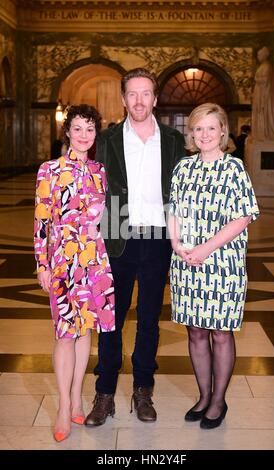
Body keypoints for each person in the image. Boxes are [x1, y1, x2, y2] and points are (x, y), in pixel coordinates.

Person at [85, 67, 186, 426]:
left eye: (146, 93)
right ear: (124, 98)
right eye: (133, 94)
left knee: (148, 320)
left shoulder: (174, 140)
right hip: (117, 237)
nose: (139, 100)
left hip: (158, 239)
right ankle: (105, 393)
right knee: (110, 320)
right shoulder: (108, 139)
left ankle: (143, 389)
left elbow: (182, 194)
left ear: (155, 99)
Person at [168, 103, 260, 430]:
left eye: (211, 128)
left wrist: (205, 248)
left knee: (220, 332)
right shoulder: (183, 168)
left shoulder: (234, 168)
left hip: (222, 262)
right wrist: (177, 244)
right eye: (198, 128)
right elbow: (174, 210)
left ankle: (218, 400)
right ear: (191, 133)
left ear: (223, 131)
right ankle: (203, 395)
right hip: (187, 263)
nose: (205, 134)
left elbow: (244, 215)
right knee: (195, 331)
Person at [34, 104, 115, 442]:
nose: (84, 135)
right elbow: (41, 220)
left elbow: (104, 218)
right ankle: (64, 405)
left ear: (96, 134)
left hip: (94, 260)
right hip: (63, 259)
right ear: (67, 132)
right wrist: (42, 262)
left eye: (90, 129)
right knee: (64, 332)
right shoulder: (49, 169)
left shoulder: (100, 171)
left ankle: (79, 394)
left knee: (86, 332)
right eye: (78, 128)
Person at [252, 46, 274, 140]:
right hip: (260, 91)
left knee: (264, 111)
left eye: (259, 54)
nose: (258, 56)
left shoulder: (267, 66)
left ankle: (266, 132)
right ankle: (261, 132)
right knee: (260, 112)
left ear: (264, 55)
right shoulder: (263, 66)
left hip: (264, 93)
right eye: (258, 55)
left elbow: (265, 80)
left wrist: (256, 78)